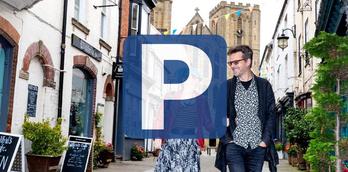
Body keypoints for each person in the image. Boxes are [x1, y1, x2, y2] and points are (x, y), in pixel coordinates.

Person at [215, 45, 276, 172]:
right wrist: (228, 141)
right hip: (234, 146)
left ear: (248, 62)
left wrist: (264, 141)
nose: (232, 66)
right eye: (230, 63)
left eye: (236, 62)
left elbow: (271, 115)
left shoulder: (264, 86)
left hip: (257, 146)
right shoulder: (226, 87)